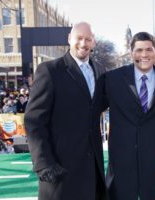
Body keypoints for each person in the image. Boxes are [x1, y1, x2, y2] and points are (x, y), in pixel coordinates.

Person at [24, 22, 106, 200]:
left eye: (88, 39)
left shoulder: (100, 70)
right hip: (60, 169)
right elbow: (34, 121)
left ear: (93, 42)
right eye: (79, 38)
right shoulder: (50, 70)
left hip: (92, 171)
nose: (83, 44)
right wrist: (43, 163)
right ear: (69, 39)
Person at [94, 32, 155, 200]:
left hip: (153, 158)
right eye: (139, 50)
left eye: (149, 49)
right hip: (120, 160)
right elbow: (91, 111)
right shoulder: (112, 79)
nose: (144, 55)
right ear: (131, 52)